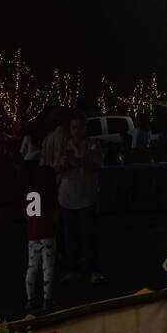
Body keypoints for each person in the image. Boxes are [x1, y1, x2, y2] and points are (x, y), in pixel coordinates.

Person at [56, 113, 105, 285]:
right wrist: (62, 165)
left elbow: (97, 166)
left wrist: (78, 162)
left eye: (79, 127)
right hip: (67, 196)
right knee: (70, 237)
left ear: (85, 128)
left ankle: (94, 270)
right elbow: (56, 168)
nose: (76, 131)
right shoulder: (64, 145)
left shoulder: (93, 144)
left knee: (88, 234)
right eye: (73, 128)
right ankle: (74, 269)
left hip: (86, 195)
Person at [23, 130, 59, 314]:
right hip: (48, 235)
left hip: (33, 236)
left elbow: (30, 216)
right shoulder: (51, 197)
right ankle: (47, 299)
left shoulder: (32, 195)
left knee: (32, 267)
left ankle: (30, 300)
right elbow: (54, 218)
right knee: (48, 267)